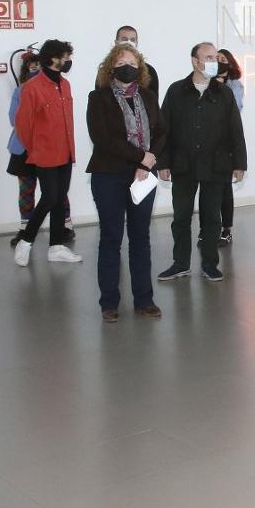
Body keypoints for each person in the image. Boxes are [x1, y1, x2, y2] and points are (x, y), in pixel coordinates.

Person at [156, 42, 247, 283]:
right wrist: (162, 162)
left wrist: (239, 163)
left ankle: (210, 263)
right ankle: (180, 263)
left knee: (212, 218)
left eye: (216, 57)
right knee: (181, 216)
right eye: (208, 57)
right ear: (195, 61)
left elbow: (235, 130)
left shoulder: (224, 93)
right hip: (183, 164)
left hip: (216, 165)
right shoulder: (176, 91)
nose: (214, 61)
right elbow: (164, 129)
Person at [87, 43, 166, 322]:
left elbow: (161, 132)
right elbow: (104, 139)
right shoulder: (98, 98)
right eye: (121, 60)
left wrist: (148, 161)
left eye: (132, 60)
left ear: (140, 67)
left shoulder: (148, 96)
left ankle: (144, 300)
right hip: (109, 175)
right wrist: (141, 159)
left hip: (143, 176)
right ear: (112, 66)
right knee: (111, 238)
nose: (127, 65)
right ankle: (109, 303)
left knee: (141, 238)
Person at [13, 39, 83, 266]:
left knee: (60, 199)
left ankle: (56, 247)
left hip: (66, 152)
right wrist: (36, 148)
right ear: (52, 58)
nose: (68, 61)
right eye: (65, 57)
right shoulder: (32, 87)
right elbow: (22, 125)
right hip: (44, 154)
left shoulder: (65, 85)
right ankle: (26, 240)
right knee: (50, 197)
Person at [214, 48, 244, 246]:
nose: (219, 62)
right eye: (216, 59)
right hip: (206, 145)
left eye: (223, 59)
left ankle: (226, 229)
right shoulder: (204, 84)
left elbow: (234, 109)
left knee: (225, 189)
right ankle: (208, 229)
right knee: (208, 190)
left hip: (226, 144)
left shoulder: (235, 86)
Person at [96, 26, 160, 101]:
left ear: (136, 43)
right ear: (116, 42)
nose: (128, 43)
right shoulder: (105, 70)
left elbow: (153, 104)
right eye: (124, 39)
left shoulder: (150, 71)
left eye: (132, 40)